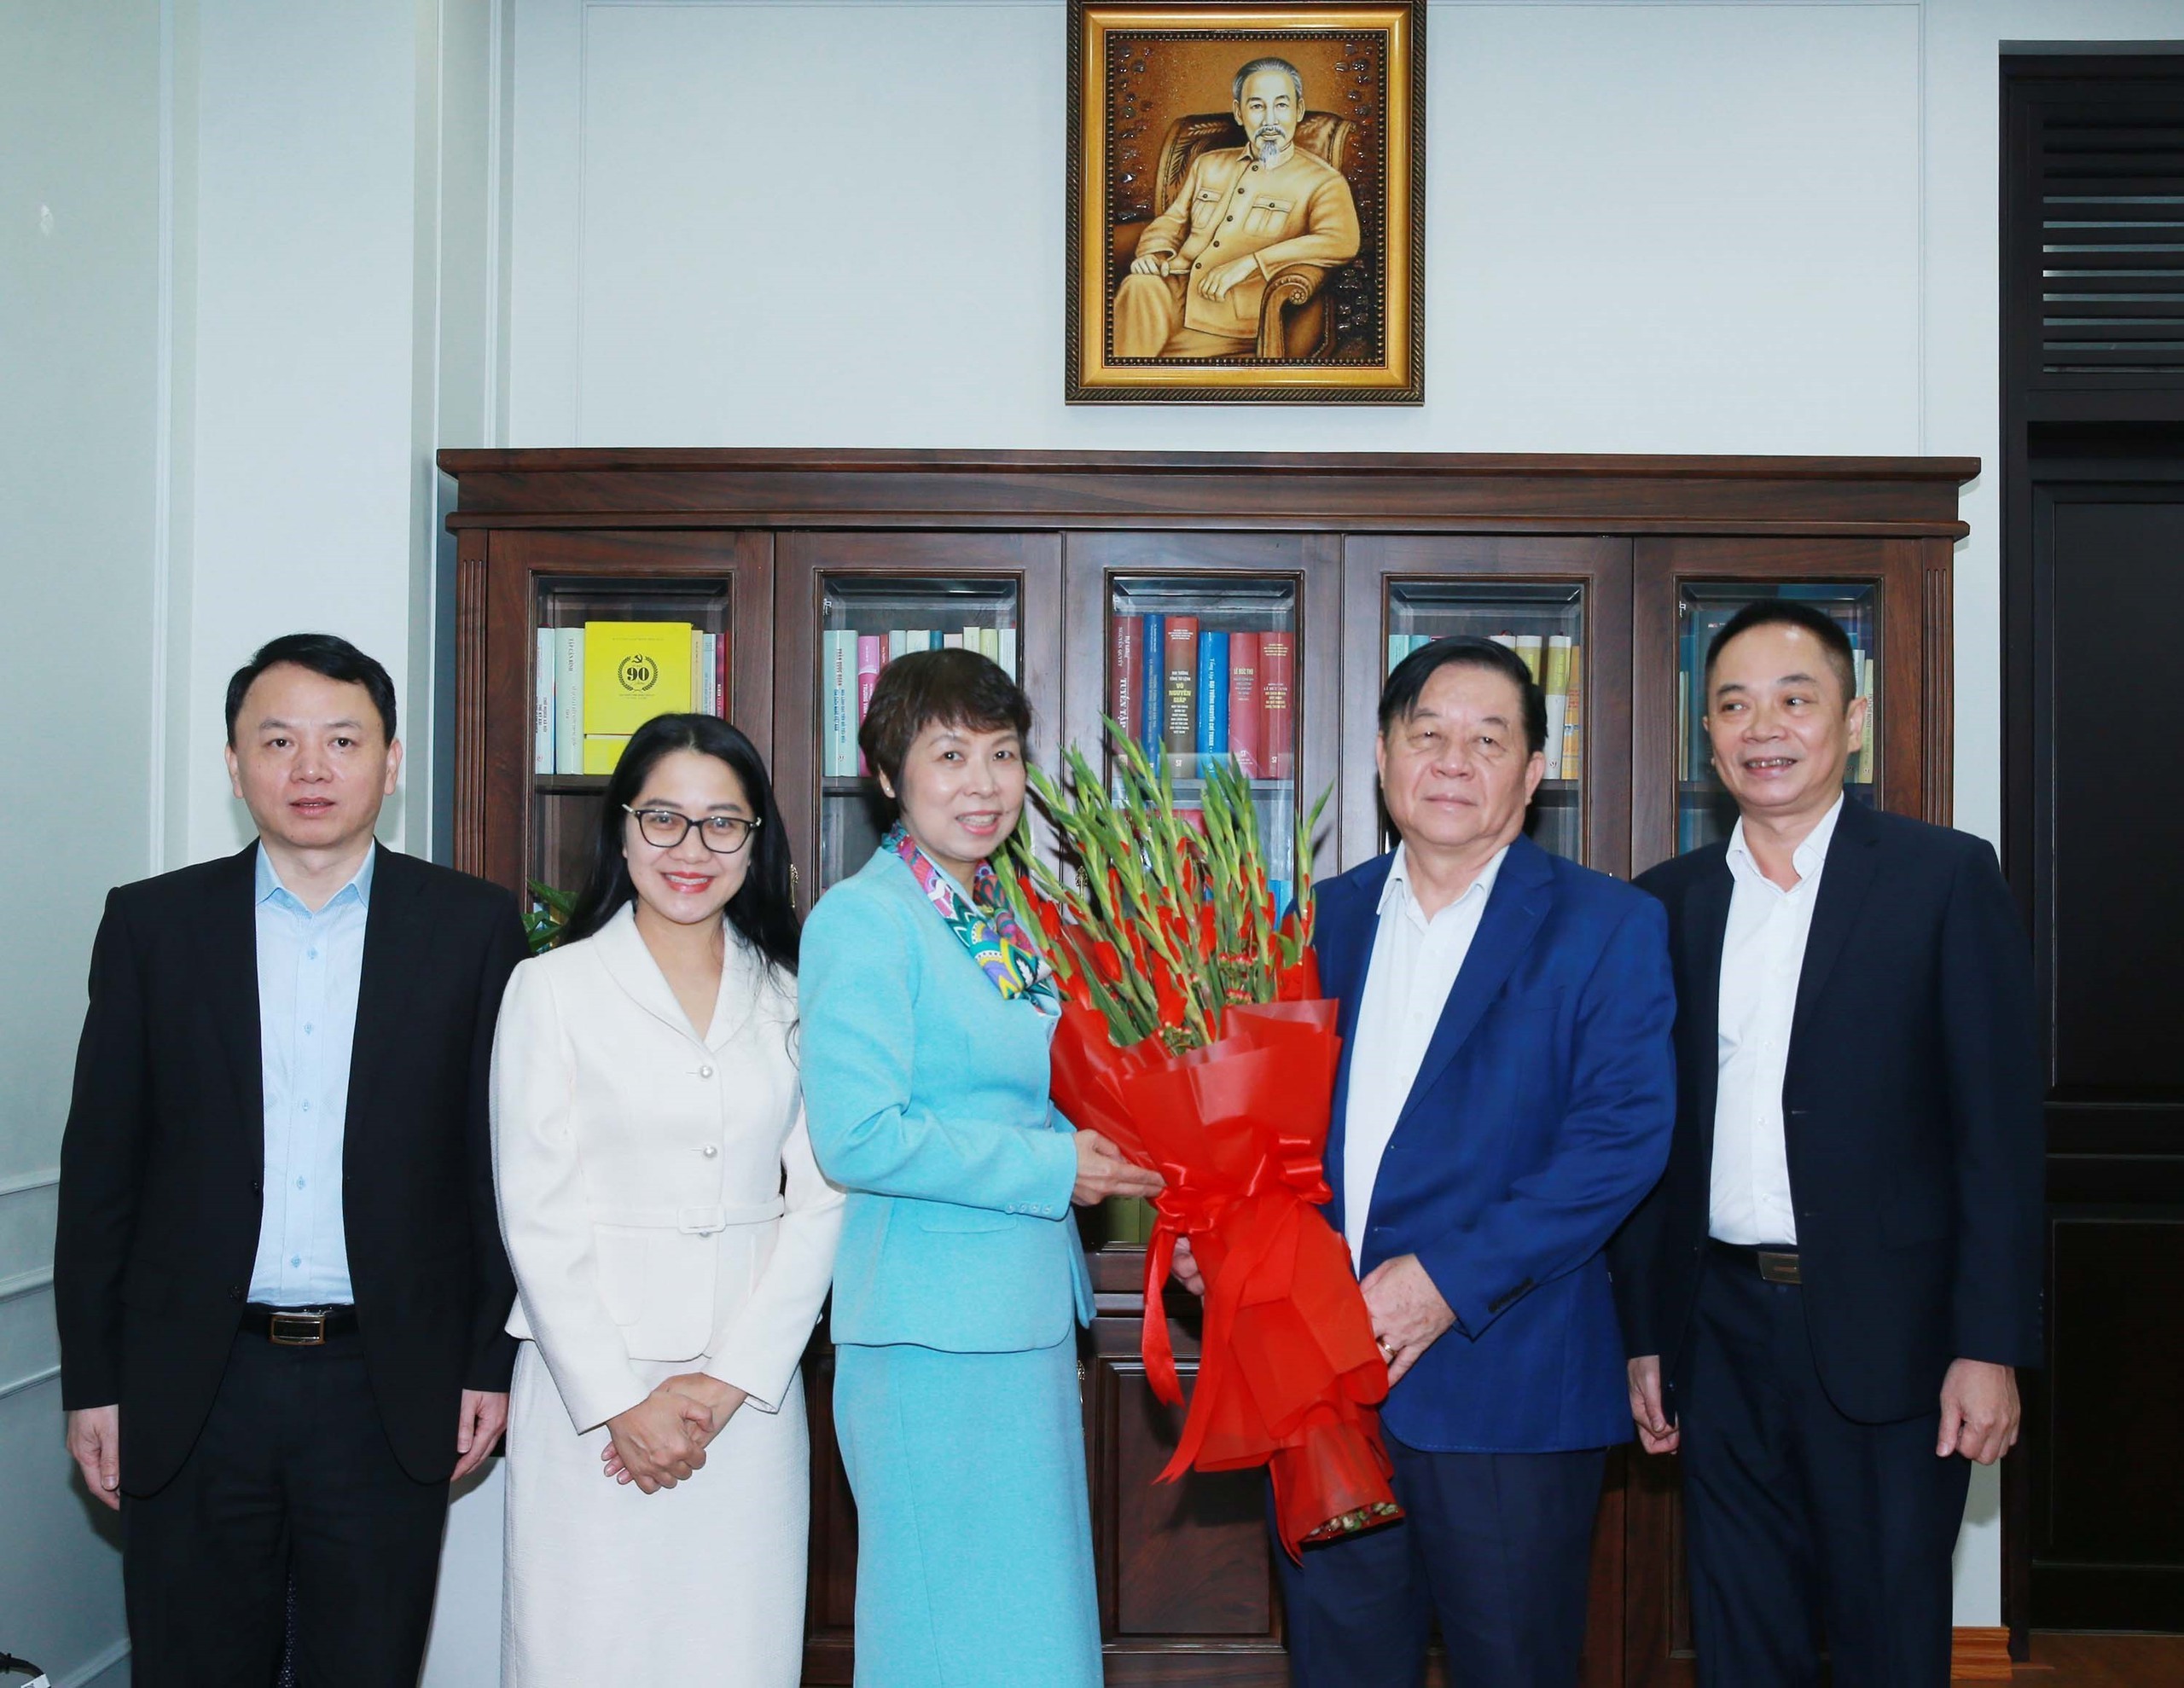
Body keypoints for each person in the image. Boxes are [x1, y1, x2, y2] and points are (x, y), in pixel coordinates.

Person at [1178, 636, 1676, 1688]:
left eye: (1487, 740)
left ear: (1533, 773)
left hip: (1508, 1388)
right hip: (1318, 1388)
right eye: (1428, 733)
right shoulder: (1314, 919)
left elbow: (1618, 1140)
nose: (1453, 760)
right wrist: (1221, 1236)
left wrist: (1445, 1281)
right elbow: (1256, 1127)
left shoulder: (1608, 925)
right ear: (1382, 755)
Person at [54, 633, 529, 1688]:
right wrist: (93, 1381)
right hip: (195, 1379)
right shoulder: (152, 925)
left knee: (365, 1666)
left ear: (390, 762)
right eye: (278, 741)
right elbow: (100, 1172)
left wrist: (484, 1360)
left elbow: (494, 1165)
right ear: (235, 765)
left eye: (342, 741)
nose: (310, 768)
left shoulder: (470, 926)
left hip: (387, 1381)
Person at [1612, 600, 2044, 1686]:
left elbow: (1998, 1135)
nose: (1764, 727)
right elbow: (1651, 1140)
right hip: (1714, 1327)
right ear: (1708, 735)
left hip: (1895, 1336)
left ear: (1850, 722)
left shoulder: (1942, 878)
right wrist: (1646, 1331)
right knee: (1738, 1633)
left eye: (1794, 699)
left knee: (1888, 1634)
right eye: (1734, 705)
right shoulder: (1665, 904)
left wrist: (1988, 1344)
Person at [798, 649, 1163, 1687]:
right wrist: (1052, 1166)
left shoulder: (1010, 916)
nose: (984, 782)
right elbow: (858, 1134)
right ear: (887, 774)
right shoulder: (864, 918)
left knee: (1028, 1626)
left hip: (1024, 1313)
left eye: (1002, 754)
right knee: (941, 1629)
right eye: (949, 754)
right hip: (928, 1330)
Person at [491, 712, 842, 1686]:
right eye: (664, 819)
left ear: (755, 839)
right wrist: (618, 1401)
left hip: (747, 1395)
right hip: (589, 1395)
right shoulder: (549, 988)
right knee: (582, 1651)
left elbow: (824, 1200)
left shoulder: (793, 995)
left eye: (722, 823)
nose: (692, 849)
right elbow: (536, 1213)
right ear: (622, 827)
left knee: (736, 1652)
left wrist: (730, 1380)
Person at [1112, 56, 1361, 358]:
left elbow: (1341, 241)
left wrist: (1251, 263)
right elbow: (1171, 221)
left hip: (1232, 318)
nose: (1270, 120)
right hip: (1172, 294)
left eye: (1281, 105)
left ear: (1298, 111)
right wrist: (1154, 253)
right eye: (1257, 106)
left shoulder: (1323, 182)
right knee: (1138, 286)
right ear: (1239, 113)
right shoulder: (1207, 164)